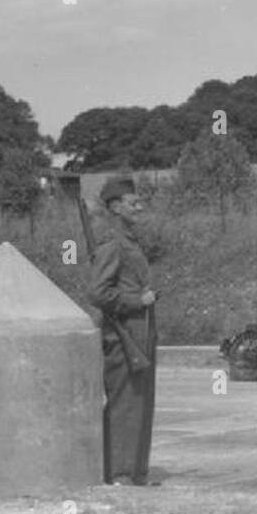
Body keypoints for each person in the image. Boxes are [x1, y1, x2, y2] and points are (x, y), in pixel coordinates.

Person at [89, 175, 159, 485]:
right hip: (123, 333)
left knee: (141, 402)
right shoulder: (112, 243)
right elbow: (98, 292)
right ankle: (118, 473)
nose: (139, 207)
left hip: (140, 330)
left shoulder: (129, 240)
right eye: (133, 203)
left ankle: (135, 472)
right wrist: (136, 300)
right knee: (124, 402)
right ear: (116, 207)